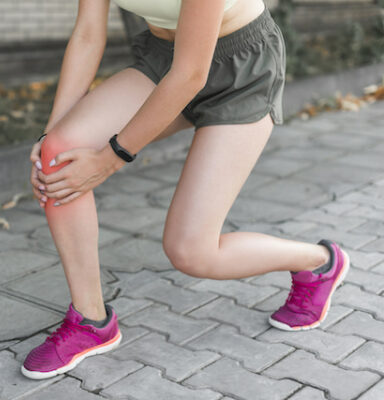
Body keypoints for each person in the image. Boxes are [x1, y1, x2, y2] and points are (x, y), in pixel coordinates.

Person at [21, 0, 350, 380]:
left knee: (191, 252)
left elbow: (191, 73)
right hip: (166, 61)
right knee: (57, 155)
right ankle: (90, 321)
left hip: (240, 72)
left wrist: (109, 159)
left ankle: (319, 262)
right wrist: (51, 132)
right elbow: (88, 34)